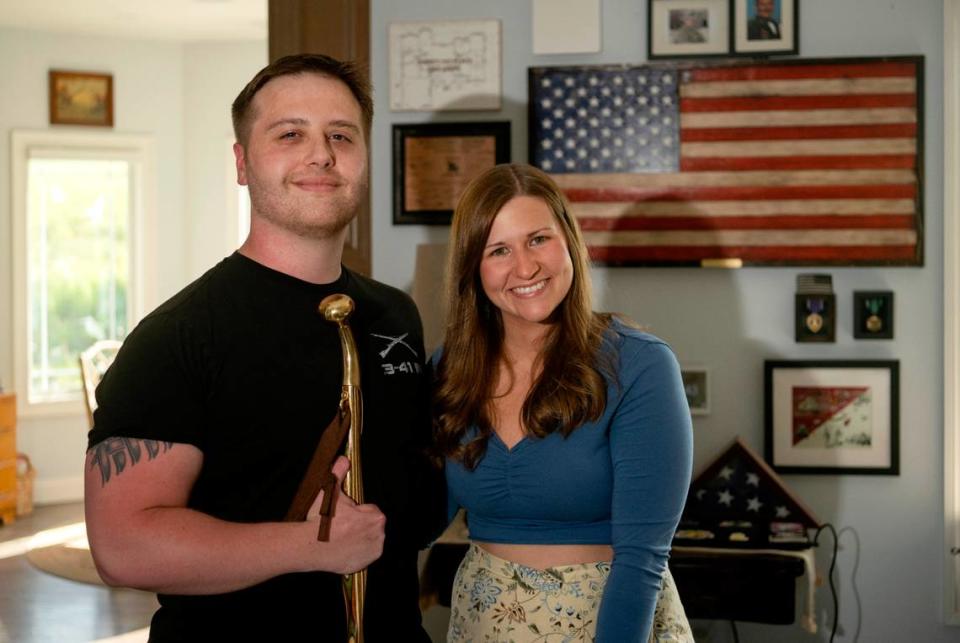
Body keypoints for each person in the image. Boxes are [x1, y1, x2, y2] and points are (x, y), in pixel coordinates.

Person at [83, 54, 442, 641]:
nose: (321, 154)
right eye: (290, 134)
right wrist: (308, 546)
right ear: (242, 162)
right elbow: (123, 546)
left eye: (341, 136)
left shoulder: (393, 314)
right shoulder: (179, 335)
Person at [432, 164, 694, 642]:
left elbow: (642, 559)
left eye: (538, 239)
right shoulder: (449, 370)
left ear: (570, 241)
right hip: (480, 622)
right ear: (473, 267)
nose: (526, 267)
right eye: (499, 250)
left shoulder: (639, 365)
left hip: (608, 621)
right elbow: (423, 517)